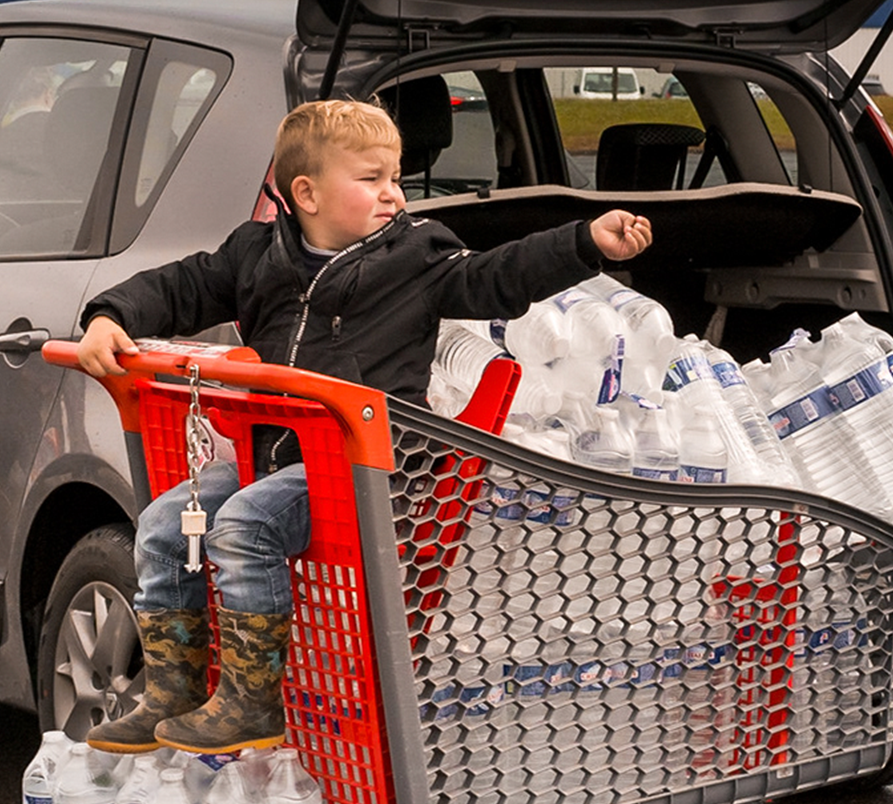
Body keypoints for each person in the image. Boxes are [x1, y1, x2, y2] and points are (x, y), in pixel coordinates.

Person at [76, 98, 652, 756]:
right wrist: (109, 315)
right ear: (307, 194)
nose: (392, 194)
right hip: (273, 458)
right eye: (371, 178)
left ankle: (251, 701)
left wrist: (583, 243)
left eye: (395, 178)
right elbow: (181, 285)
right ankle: (172, 690)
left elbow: (494, 277)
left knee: (242, 525)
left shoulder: (418, 256)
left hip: (367, 466)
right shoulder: (257, 253)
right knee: (162, 523)